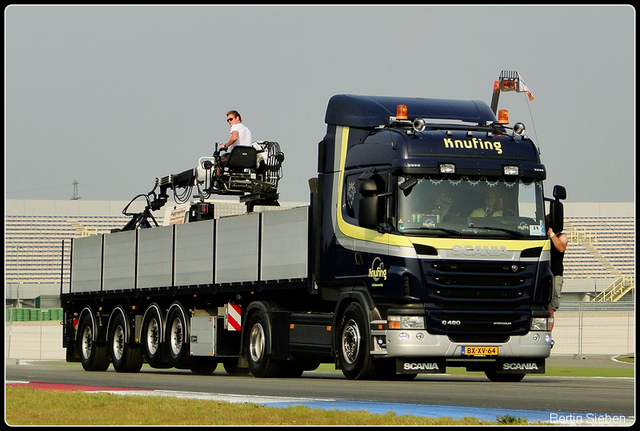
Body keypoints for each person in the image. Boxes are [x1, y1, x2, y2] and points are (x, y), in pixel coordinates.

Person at [217, 110, 252, 176]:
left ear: (237, 118)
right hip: (247, 158)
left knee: (219, 161)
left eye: (231, 119)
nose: (229, 122)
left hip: (237, 156)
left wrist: (225, 146)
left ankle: (217, 179)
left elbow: (234, 138)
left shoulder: (235, 126)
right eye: (228, 120)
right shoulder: (246, 129)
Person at [547, 214, 568, 311]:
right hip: (544, 271)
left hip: (555, 273)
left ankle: (550, 325)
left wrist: (552, 235)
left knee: (551, 306)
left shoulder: (562, 236)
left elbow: (561, 248)